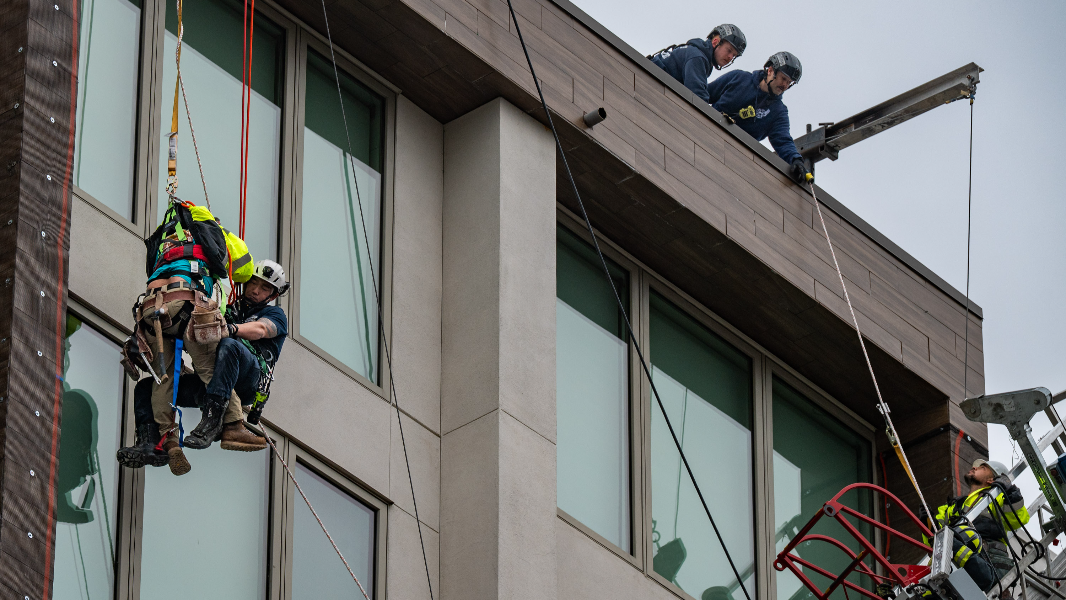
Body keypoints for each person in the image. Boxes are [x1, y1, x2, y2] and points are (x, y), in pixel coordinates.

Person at [118, 260, 289, 470]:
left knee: (229, 345)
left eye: (264, 288)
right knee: (148, 387)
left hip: (248, 379)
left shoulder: (275, 315)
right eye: (254, 283)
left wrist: (231, 329)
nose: (256, 290)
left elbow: (262, 329)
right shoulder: (228, 308)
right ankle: (153, 444)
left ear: (272, 295)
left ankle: (214, 423)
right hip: (215, 382)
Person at [920, 458, 1029, 591]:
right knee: (947, 540)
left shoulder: (997, 498)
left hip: (986, 564)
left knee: (951, 540)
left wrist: (1011, 493)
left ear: (991, 480)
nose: (974, 467)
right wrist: (927, 522)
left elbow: (1018, 519)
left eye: (982, 467)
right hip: (952, 566)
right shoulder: (954, 507)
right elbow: (936, 539)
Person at [705, 51, 812, 185]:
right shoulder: (738, 78)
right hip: (706, 135)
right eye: (783, 79)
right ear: (771, 70)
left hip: (735, 160)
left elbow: (783, 140)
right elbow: (704, 94)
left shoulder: (778, 112)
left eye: (789, 82)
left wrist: (796, 159)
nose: (785, 85)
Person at [649, 24, 747, 104]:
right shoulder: (697, 57)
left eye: (734, 55)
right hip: (650, 84)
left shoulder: (696, 53)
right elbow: (697, 97)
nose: (730, 57)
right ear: (715, 42)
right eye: (729, 50)